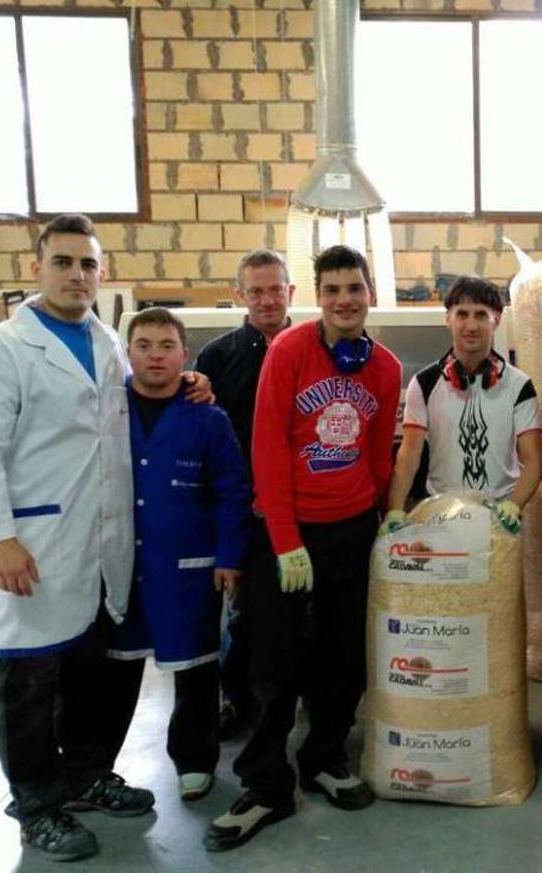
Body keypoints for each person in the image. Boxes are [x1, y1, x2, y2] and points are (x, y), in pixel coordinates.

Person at [0, 215, 153, 861]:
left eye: (88, 264)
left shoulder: (106, 342)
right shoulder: (3, 348)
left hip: (101, 543)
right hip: (33, 541)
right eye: (63, 262)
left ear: (101, 273)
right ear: (36, 269)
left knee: (100, 665)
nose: (76, 275)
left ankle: (87, 773)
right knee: (28, 677)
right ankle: (37, 805)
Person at [206, 245, 401, 851]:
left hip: (351, 532)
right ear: (317, 296)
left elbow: (376, 454)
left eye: (355, 288)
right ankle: (265, 785)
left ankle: (324, 758)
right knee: (274, 662)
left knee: (343, 658)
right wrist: (286, 540)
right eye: (334, 289)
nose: (345, 299)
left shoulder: (386, 367)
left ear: (370, 293)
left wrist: (381, 520)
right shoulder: (290, 352)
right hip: (285, 533)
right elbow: (266, 446)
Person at [108, 307, 251, 802]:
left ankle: (194, 759)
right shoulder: (108, 410)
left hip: (190, 566)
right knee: (114, 671)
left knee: (196, 668)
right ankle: (92, 767)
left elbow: (233, 491)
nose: (155, 355)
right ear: (128, 354)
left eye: (166, 345)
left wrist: (229, 556)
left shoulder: (208, 419)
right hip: (120, 564)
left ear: (184, 355)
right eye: (143, 345)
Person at [195, 249, 295, 738]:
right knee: (245, 614)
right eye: (256, 290)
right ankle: (238, 701)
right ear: (240, 295)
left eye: (275, 288)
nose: (267, 299)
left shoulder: (316, 348)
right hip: (243, 508)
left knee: (304, 612)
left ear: (291, 292)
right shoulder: (216, 358)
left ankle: (300, 698)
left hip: (304, 507)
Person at [383, 276, 542, 530]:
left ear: (497, 320)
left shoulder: (519, 386)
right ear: (448, 319)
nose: (471, 325)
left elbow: (534, 459)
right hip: (440, 516)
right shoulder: (423, 384)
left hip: (498, 518)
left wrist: (514, 505)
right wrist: (394, 510)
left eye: (481, 315)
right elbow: (409, 454)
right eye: (462, 314)